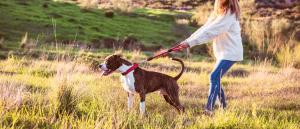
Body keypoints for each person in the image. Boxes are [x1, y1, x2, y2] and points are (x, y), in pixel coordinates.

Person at [179, 0, 243, 116]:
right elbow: (205, 28)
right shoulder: (218, 13)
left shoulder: (229, 13)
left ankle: (208, 111)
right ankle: (224, 109)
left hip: (231, 52)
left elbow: (213, 32)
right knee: (216, 79)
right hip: (224, 53)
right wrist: (189, 41)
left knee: (213, 77)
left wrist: (191, 43)